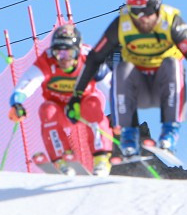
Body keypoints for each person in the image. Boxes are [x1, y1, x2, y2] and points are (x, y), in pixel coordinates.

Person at [66, 0, 187, 160]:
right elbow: (94, 58)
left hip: (166, 84)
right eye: (136, 12)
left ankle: (169, 134)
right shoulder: (122, 24)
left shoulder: (172, 22)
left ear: (157, 6)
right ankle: (129, 138)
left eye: (147, 12)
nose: (141, 18)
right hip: (138, 84)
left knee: (172, 64)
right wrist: (76, 96)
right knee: (122, 69)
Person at [9, 24, 114, 176]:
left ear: (77, 51)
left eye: (69, 53)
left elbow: (111, 88)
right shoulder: (47, 60)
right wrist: (17, 102)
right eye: (59, 54)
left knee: (92, 105)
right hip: (61, 108)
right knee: (47, 110)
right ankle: (61, 158)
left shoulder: (90, 58)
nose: (64, 59)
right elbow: (29, 81)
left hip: (84, 104)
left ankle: (101, 158)